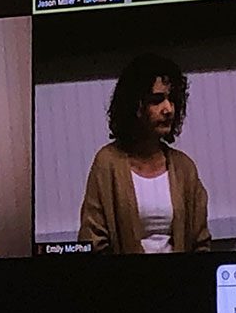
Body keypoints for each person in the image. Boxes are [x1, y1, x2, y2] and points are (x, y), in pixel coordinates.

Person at [78, 53, 209, 254]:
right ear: (135, 106)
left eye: (172, 100)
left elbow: (201, 242)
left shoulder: (184, 168)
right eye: (157, 100)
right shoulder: (107, 163)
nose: (168, 109)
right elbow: (93, 240)